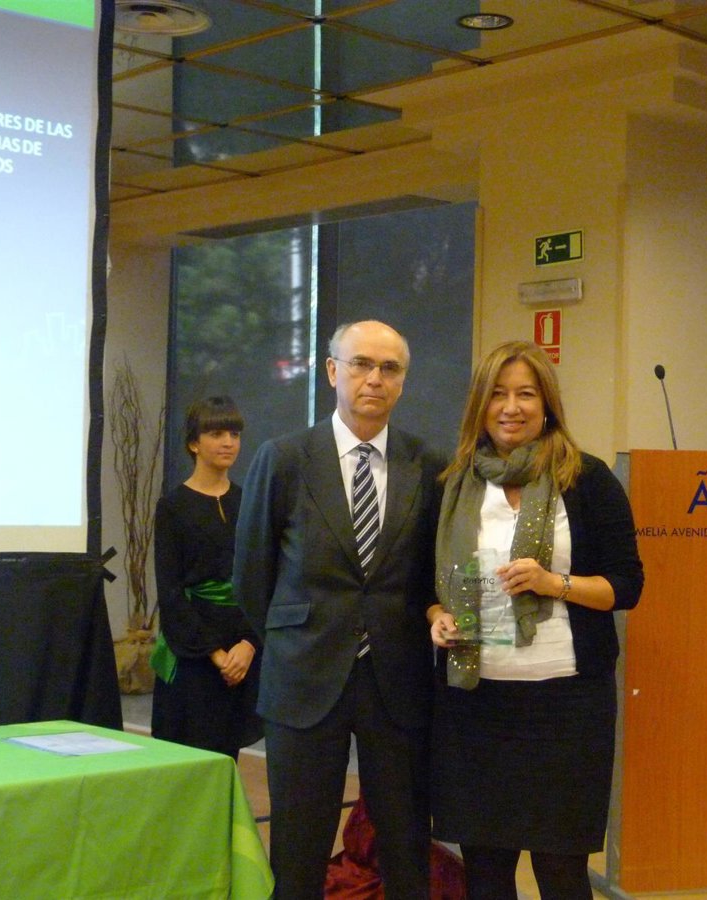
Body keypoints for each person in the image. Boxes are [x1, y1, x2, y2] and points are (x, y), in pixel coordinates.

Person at [233, 320, 444, 900]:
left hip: (397, 680)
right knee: (298, 851)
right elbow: (250, 576)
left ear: (403, 381)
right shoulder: (285, 459)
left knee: (405, 847)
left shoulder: (429, 464)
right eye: (361, 364)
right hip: (304, 679)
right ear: (332, 371)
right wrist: (299, 637)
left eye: (389, 368)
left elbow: (433, 571)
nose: (375, 379)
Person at [427, 340, 644, 900]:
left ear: (547, 404)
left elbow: (627, 585)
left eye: (525, 394)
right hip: (475, 701)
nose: (511, 407)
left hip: (567, 704)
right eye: (497, 394)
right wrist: (437, 616)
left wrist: (555, 584)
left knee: (561, 870)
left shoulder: (588, 479)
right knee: (486, 871)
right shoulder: (454, 483)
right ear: (480, 405)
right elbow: (423, 587)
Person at [150, 395, 262, 760]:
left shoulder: (249, 501)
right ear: (194, 443)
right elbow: (170, 592)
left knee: (227, 757)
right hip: (193, 650)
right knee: (188, 761)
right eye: (216, 434)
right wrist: (215, 654)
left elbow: (263, 579)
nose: (229, 442)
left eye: (234, 434)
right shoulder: (172, 507)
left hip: (241, 645)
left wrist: (248, 644)